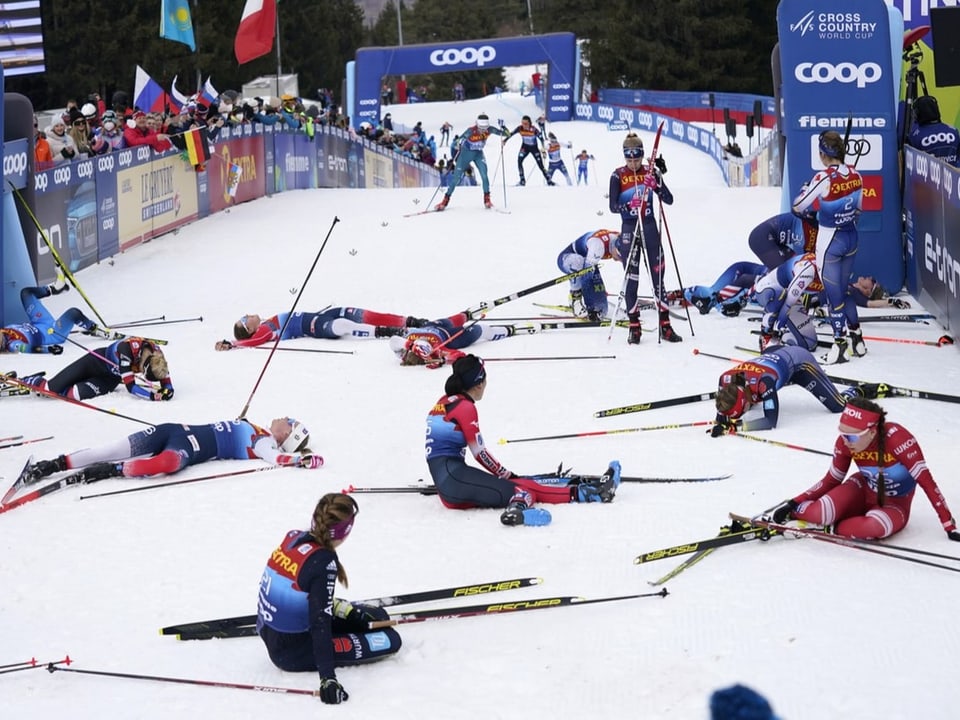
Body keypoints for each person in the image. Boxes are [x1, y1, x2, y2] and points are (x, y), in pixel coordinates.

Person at [424, 354, 621, 526]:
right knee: (522, 489)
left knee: (519, 486)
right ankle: (519, 510)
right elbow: (480, 453)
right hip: (454, 479)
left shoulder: (444, 402)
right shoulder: (465, 407)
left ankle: (588, 492)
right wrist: (506, 474)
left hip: (450, 482)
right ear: (479, 383)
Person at [257, 493, 401, 705]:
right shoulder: (323, 561)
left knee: (378, 616)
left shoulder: (294, 537)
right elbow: (319, 622)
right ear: (345, 531)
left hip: (270, 630)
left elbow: (302, 592)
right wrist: (328, 678)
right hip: (291, 651)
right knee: (390, 640)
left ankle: (347, 613)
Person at [767, 397, 960, 542]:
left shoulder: (899, 440)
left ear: (872, 431)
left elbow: (927, 483)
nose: (845, 441)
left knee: (875, 527)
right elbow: (832, 479)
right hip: (861, 490)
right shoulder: (845, 443)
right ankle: (810, 517)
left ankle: (828, 527)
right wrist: (793, 504)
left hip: (895, 505)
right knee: (820, 513)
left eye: (851, 437)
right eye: (842, 434)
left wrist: (949, 525)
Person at [22, 417, 321, 486]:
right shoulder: (258, 427)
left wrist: (300, 460)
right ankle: (53, 464)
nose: (286, 417)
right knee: (114, 446)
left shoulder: (265, 443)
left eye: (291, 423)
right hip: (173, 429)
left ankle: (109, 471)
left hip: (188, 448)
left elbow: (278, 459)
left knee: (168, 463)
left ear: (286, 436)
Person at [792, 130, 864, 363]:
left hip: (830, 242)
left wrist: (805, 190)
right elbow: (859, 210)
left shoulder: (822, 177)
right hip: (851, 237)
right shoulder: (856, 174)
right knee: (842, 290)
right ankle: (857, 339)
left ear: (824, 155)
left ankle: (839, 345)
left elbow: (798, 207)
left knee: (833, 296)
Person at [710, 343, 874, 437]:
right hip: (775, 355)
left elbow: (770, 422)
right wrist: (721, 422)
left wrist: (736, 426)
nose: (745, 412)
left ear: (745, 399)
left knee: (838, 406)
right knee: (755, 400)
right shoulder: (724, 380)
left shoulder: (763, 384)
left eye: (743, 409)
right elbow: (723, 414)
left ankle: (861, 390)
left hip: (800, 364)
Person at [608, 132, 678, 343]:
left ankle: (665, 326)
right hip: (629, 229)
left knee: (658, 277)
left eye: (636, 159)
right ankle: (634, 326)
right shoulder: (617, 175)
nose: (633, 163)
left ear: (642, 155)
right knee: (632, 278)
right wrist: (628, 205)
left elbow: (669, 199)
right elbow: (612, 206)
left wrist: (657, 183)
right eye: (629, 159)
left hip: (648, 227)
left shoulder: (650, 171)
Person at [20, 336, 173, 402]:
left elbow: (166, 379)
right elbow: (131, 387)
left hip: (109, 378)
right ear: (144, 367)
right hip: (95, 362)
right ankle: (28, 380)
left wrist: (168, 389)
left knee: (77, 394)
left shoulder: (157, 356)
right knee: (50, 389)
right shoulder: (127, 350)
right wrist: (153, 397)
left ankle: (62, 388)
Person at [215, 308, 419, 350]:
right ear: (249, 329)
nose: (248, 314)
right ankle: (388, 332)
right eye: (244, 319)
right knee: (342, 326)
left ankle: (407, 321)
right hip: (311, 326)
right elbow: (253, 342)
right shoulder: (264, 331)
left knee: (355, 312)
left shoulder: (266, 323)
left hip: (316, 316)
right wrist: (233, 344)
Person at [1, 279, 100, 354]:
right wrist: (49, 349)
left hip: (39, 322)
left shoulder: (4, 330)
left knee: (26, 293)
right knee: (73, 313)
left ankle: (54, 289)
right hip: (53, 333)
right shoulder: (12, 345)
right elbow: (29, 349)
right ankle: (95, 329)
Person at [435, 113, 508, 211]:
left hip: (478, 154)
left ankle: (487, 200)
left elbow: (507, 134)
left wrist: (503, 126)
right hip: (465, 155)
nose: (483, 131)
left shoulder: (490, 129)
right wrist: (459, 143)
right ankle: (445, 200)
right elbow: (458, 141)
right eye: (481, 128)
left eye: (485, 128)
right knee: (456, 179)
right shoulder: (471, 130)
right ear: (477, 124)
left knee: (484, 176)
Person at [387, 314, 517, 367]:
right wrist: (443, 360)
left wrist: (409, 344)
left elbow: (393, 341)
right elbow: (459, 355)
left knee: (451, 320)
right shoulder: (438, 350)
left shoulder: (405, 346)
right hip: (451, 335)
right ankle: (510, 330)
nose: (423, 340)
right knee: (482, 330)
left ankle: (465, 315)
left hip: (431, 325)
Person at [556, 229, 620, 319]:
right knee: (579, 263)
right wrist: (591, 297)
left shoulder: (622, 238)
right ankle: (575, 298)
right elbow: (586, 275)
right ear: (615, 248)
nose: (618, 260)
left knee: (602, 309)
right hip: (566, 259)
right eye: (619, 257)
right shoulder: (598, 246)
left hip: (587, 260)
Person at [679, 261, 768, 317]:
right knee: (713, 293)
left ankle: (703, 299)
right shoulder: (769, 279)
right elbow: (744, 280)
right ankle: (684, 293)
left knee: (723, 301)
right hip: (741, 272)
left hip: (747, 285)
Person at [906, 94, 960, 167]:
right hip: (954, 177)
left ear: (918, 113)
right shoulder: (954, 131)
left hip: (927, 178)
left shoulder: (914, 136)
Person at [503, 115, 552, 187]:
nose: (524, 125)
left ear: (530, 123)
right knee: (519, 161)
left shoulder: (534, 129)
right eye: (522, 123)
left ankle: (548, 180)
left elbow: (541, 139)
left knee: (540, 165)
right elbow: (511, 134)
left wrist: (543, 149)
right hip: (525, 147)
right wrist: (505, 140)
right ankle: (522, 181)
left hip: (534, 148)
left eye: (526, 124)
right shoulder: (520, 128)